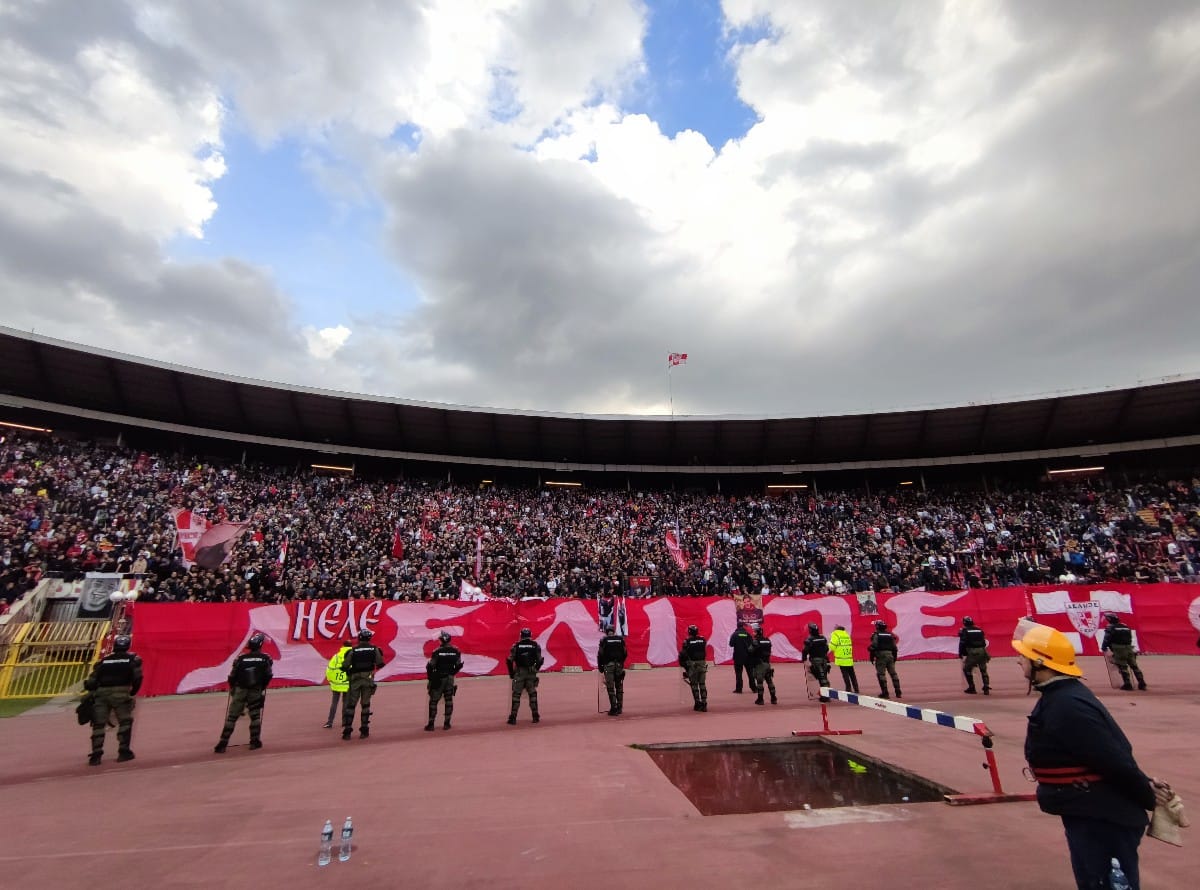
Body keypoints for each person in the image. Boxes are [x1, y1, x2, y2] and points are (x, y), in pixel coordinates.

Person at [1013, 623, 1169, 890]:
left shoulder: (1068, 706)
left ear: (1040, 662)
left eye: (1023, 655)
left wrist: (1146, 794)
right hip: (1090, 811)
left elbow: (1114, 760)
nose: (1018, 661)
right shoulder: (1061, 698)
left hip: (1102, 818)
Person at [83, 634, 142, 765]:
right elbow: (137, 677)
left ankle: (96, 755)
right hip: (121, 692)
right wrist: (133, 691)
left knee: (99, 724)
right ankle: (123, 751)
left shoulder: (104, 661)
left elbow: (92, 681)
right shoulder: (133, 659)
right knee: (125, 721)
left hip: (101, 694)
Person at [214, 632, 273, 753]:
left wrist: (234, 690)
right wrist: (262, 687)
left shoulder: (240, 658)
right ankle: (254, 741)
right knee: (255, 716)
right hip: (255, 690)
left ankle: (222, 744)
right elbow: (268, 675)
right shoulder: (265, 658)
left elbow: (232, 676)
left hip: (240, 690)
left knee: (231, 717)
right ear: (260, 645)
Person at [342, 628, 385, 739]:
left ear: (359, 638)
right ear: (369, 638)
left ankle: (347, 731)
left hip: (355, 680)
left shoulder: (352, 650)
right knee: (365, 705)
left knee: (351, 705)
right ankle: (364, 730)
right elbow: (380, 663)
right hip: (368, 680)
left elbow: (345, 666)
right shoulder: (374, 649)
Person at [425, 630, 463, 731]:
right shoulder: (456, 650)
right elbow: (459, 665)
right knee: (449, 700)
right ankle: (447, 723)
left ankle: (431, 724)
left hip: (438, 678)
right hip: (450, 678)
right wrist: (452, 673)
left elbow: (431, 665)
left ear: (441, 640)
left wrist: (430, 677)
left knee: (433, 701)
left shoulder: (437, 651)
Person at [1100, 613, 1147, 691]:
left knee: (1123, 666)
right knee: (1134, 666)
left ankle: (1127, 684)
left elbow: (1107, 639)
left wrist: (1104, 647)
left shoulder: (1110, 628)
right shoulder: (1125, 626)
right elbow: (1130, 638)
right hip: (1128, 648)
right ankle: (1142, 683)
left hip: (1118, 649)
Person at [506, 627, 543, 725]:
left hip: (519, 672)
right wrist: (536, 670)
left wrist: (511, 673)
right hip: (531, 672)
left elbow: (509, 660)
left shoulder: (516, 646)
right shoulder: (535, 645)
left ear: (521, 635)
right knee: (532, 694)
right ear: (530, 635)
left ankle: (513, 717)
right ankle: (535, 715)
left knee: (516, 695)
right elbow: (540, 660)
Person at [597, 627, 627, 716]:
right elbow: (625, 653)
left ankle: (613, 708)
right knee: (619, 687)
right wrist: (621, 663)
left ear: (606, 632)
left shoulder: (604, 640)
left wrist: (600, 666)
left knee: (610, 688)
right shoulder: (620, 639)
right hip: (619, 665)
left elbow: (600, 654)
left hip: (608, 666)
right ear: (613, 631)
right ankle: (620, 707)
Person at [868, 619, 902, 699]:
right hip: (890, 655)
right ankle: (898, 692)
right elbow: (895, 648)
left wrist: (871, 656)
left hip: (881, 656)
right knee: (893, 673)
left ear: (877, 627)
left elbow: (874, 647)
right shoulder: (890, 635)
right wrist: (894, 658)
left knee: (881, 674)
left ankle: (885, 693)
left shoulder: (876, 635)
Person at [323, 638, 353, 728]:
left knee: (334, 703)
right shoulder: (353, 656)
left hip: (336, 683)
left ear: (343, 646)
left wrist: (330, 680)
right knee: (346, 703)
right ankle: (345, 722)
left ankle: (330, 721)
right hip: (347, 683)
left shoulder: (336, 656)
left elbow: (329, 669)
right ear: (351, 647)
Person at [679, 624, 709, 712]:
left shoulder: (687, 641)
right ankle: (704, 703)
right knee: (702, 684)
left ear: (689, 632)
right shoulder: (703, 639)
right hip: (702, 664)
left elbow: (683, 654)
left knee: (694, 685)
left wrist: (685, 666)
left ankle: (697, 703)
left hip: (692, 665)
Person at [958, 616, 991, 695]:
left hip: (972, 652)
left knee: (966, 669)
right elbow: (983, 642)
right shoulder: (979, 629)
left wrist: (961, 653)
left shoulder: (964, 630)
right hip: (982, 651)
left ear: (964, 622)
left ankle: (972, 687)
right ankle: (986, 686)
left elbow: (962, 643)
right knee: (983, 670)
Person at [800, 622, 831, 703]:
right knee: (824, 677)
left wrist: (803, 659)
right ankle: (826, 694)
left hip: (815, 660)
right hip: (824, 659)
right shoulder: (823, 638)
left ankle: (825, 696)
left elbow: (805, 650)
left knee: (821, 678)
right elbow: (827, 648)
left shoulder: (809, 640)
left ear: (810, 630)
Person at [749, 626, 778, 705]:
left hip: (759, 664)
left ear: (757, 632)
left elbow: (750, 650)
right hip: (767, 663)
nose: (753, 633)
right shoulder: (767, 640)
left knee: (759, 682)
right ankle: (773, 698)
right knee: (769, 681)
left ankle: (760, 699)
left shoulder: (756, 641)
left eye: (754, 631)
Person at [829, 624, 859, 693]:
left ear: (836, 629)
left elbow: (832, 646)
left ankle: (848, 688)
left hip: (841, 658)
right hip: (848, 657)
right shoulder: (846, 635)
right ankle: (856, 688)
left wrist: (830, 645)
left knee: (845, 674)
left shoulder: (835, 635)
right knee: (852, 674)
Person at [728, 623, 755, 693]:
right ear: (743, 626)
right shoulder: (747, 634)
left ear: (737, 627)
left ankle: (739, 689)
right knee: (750, 673)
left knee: (738, 674)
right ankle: (754, 688)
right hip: (748, 657)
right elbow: (752, 644)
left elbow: (731, 644)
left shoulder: (735, 634)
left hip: (738, 657)